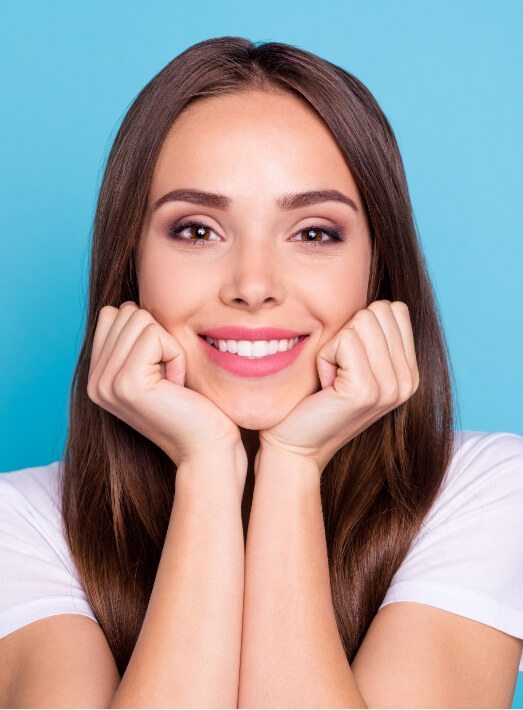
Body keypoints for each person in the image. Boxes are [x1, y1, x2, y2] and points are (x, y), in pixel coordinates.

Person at [1, 36, 522, 708]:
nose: (253, 285)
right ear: (130, 262)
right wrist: (209, 474)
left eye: (312, 232)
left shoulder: (490, 491)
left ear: (378, 267)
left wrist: (291, 466)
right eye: (195, 230)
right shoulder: (21, 524)